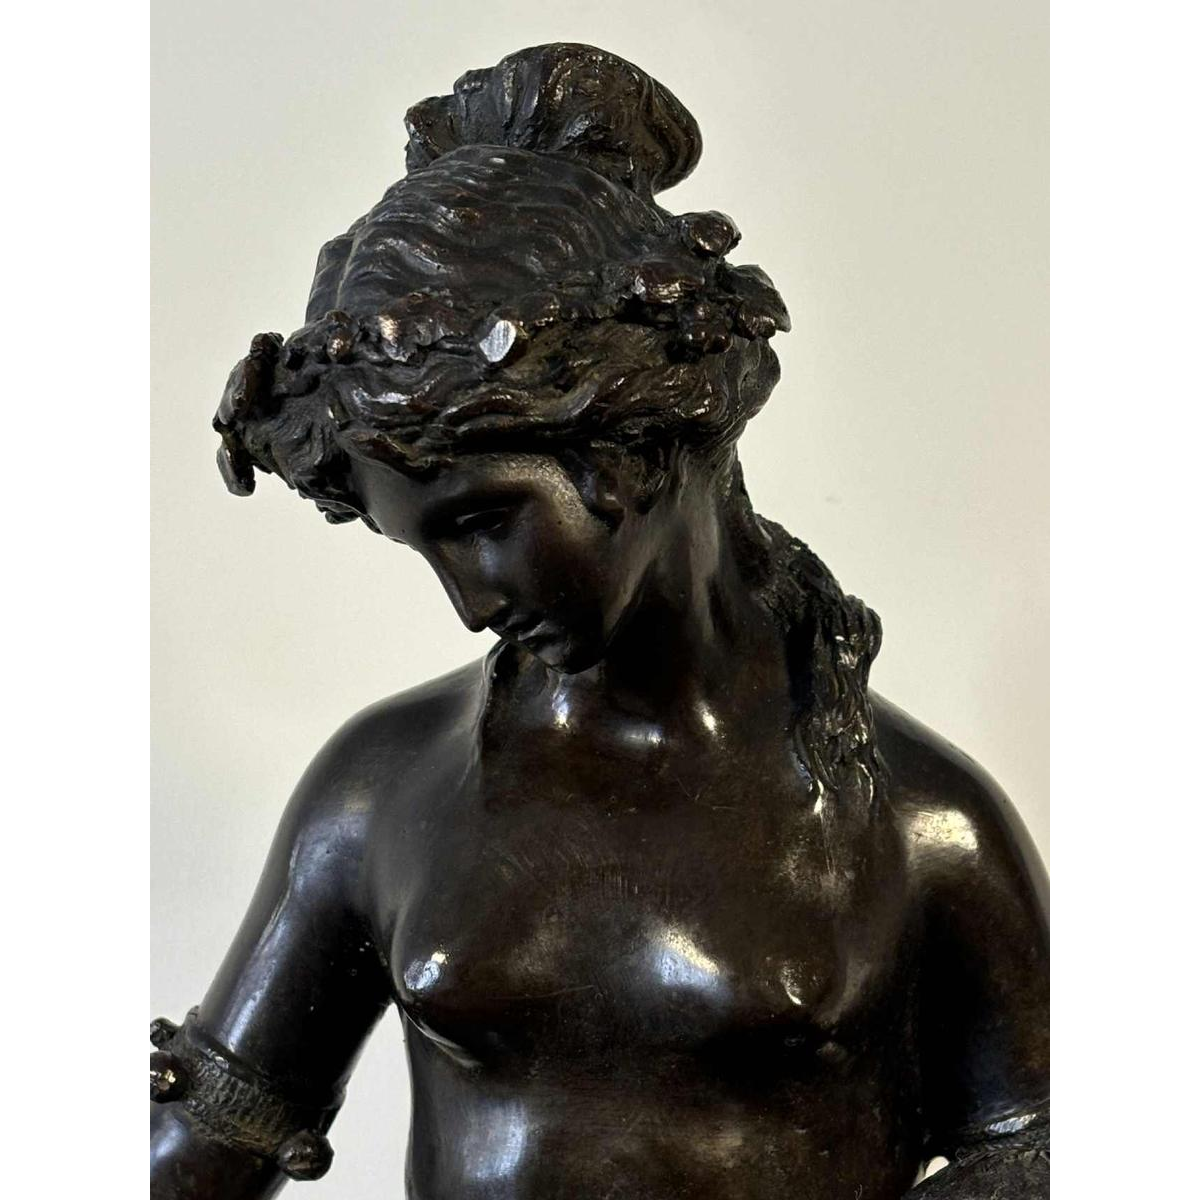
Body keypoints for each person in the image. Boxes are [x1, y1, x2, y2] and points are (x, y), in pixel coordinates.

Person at [151, 43, 1048, 1200]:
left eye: (486, 522)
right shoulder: (380, 792)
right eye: (423, 546)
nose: (472, 603)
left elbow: (1043, 1147)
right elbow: (210, 1137)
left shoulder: (921, 822)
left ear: (636, 441)